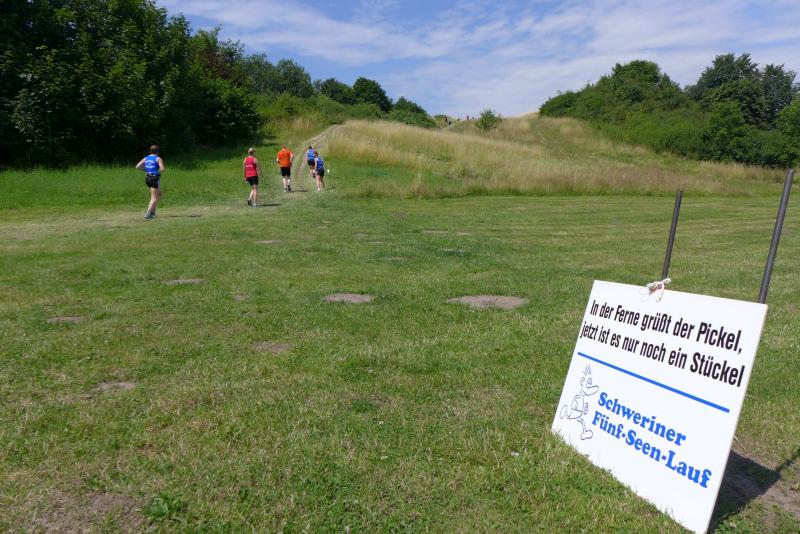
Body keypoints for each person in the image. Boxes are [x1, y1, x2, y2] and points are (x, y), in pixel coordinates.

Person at [135, 145, 164, 219]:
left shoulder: (146, 158)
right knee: (154, 198)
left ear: (150, 151)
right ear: (157, 151)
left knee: (159, 194)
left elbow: (137, 167)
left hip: (147, 178)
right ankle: (148, 214)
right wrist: (158, 171)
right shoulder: (158, 158)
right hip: (154, 178)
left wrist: (146, 169)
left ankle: (152, 212)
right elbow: (162, 169)